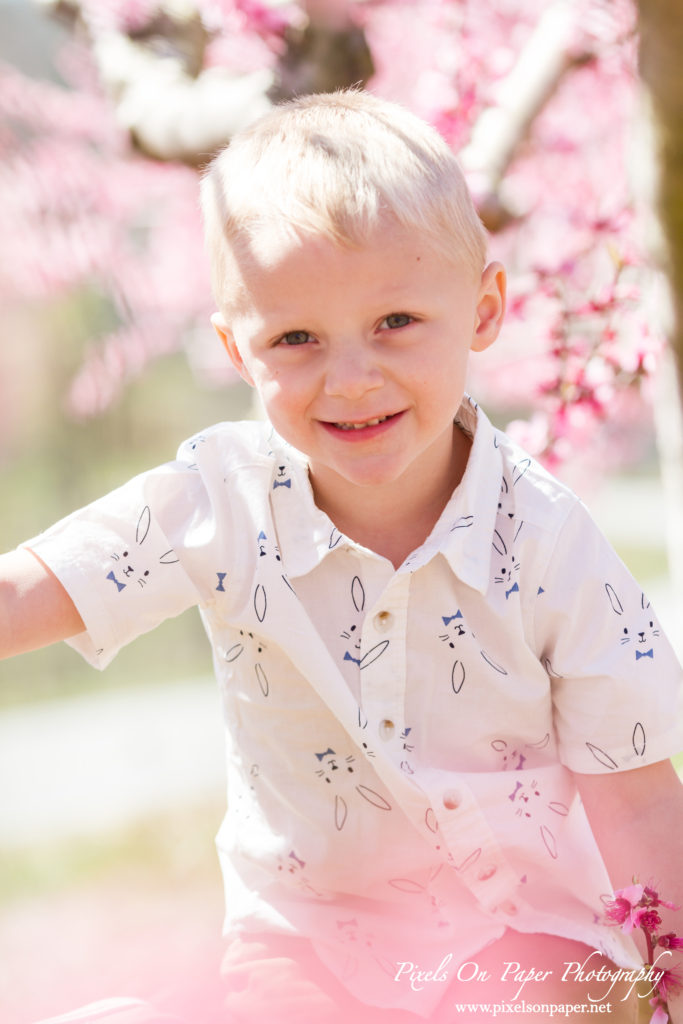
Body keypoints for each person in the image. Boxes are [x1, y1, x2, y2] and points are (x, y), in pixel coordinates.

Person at [3, 89, 683, 1024]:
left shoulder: (548, 541)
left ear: (484, 308)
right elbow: (33, 589)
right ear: (237, 352)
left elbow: (640, 800)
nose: (351, 377)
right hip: (314, 938)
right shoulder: (219, 501)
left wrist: (669, 975)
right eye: (295, 339)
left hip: (528, 936)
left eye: (396, 321)